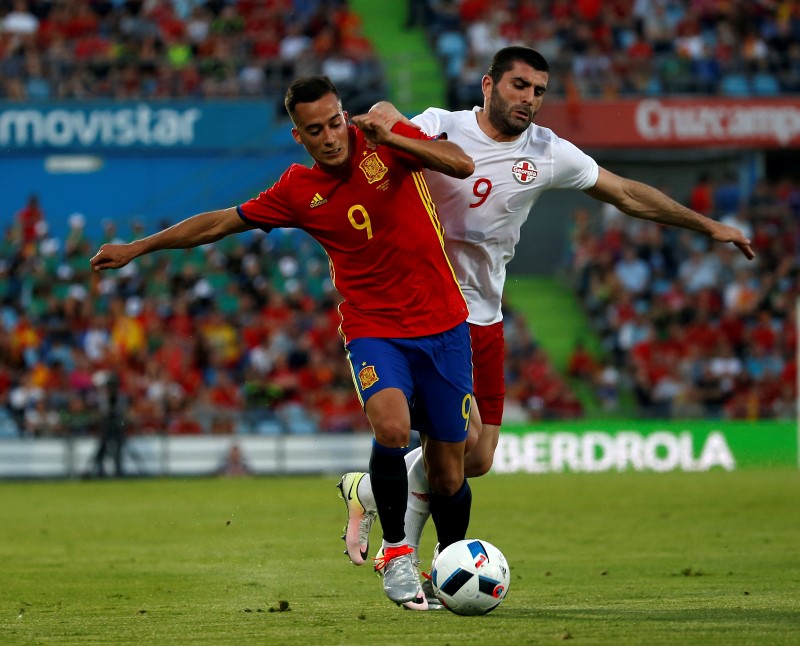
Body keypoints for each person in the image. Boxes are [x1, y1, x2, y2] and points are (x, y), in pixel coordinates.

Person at [336, 45, 755, 609]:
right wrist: (384, 116)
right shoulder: (443, 126)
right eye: (518, 86)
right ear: (488, 85)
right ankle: (407, 569)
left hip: (485, 316)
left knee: (476, 459)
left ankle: (365, 488)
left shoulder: (549, 151)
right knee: (447, 454)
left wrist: (707, 226)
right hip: (428, 315)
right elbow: (388, 113)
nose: (529, 99)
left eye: (537, 90)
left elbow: (627, 192)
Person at [90, 75, 476, 609]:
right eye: (314, 130)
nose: (330, 137)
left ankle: (451, 564)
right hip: (373, 328)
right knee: (391, 427)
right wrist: (138, 247)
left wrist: (394, 139)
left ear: (345, 115)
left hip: (444, 326)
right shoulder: (298, 190)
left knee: (450, 469)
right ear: (300, 136)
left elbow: (460, 164)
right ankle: (395, 555)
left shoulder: (388, 139)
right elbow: (219, 223)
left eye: (335, 122)